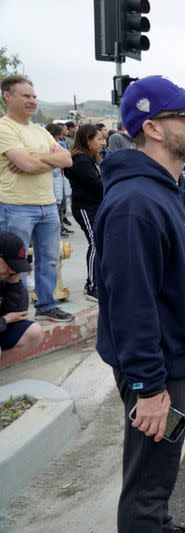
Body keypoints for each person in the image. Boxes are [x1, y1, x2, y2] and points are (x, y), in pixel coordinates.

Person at [93, 75, 185, 533]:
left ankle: (159, 524)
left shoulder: (168, 190)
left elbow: (181, 283)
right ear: (155, 128)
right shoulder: (135, 203)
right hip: (154, 370)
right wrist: (148, 389)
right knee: (147, 483)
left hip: (174, 360)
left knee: (160, 472)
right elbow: (131, 305)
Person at [0, 75, 74, 323]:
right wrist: (45, 159)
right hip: (14, 206)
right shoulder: (4, 128)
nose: (32, 100)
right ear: (7, 96)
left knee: (50, 259)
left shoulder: (41, 131)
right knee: (13, 265)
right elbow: (26, 164)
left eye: (34, 96)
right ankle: (14, 312)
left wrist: (34, 157)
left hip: (47, 205)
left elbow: (68, 160)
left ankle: (47, 305)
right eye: (26, 96)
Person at [64, 124, 104, 302]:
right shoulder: (80, 160)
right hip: (86, 208)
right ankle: (91, 286)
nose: (102, 143)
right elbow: (98, 185)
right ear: (88, 140)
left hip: (95, 206)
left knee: (101, 244)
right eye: (99, 139)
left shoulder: (89, 158)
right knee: (95, 243)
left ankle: (99, 282)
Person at [0, 231, 44, 360]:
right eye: (10, 264)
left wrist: (14, 281)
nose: (12, 270)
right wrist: (5, 319)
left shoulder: (7, 276)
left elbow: (20, 312)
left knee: (34, 332)